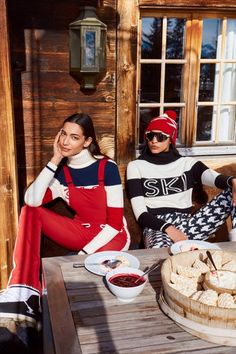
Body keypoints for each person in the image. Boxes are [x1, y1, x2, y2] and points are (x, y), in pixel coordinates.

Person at [0, 112, 130, 325]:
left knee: (73, 275)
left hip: (111, 235)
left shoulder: (107, 168)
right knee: (30, 212)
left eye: (74, 137)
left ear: (87, 141)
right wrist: (54, 160)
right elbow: (31, 201)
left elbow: (115, 224)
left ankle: (46, 305)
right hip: (81, 230)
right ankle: (24, 290)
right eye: (63, 133)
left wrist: (83, 254)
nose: (65, 141)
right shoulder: (62, 173)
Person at [126, 110, 236, 249]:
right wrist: (170, 229)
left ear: (170, 139)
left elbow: (214, 178)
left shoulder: (187, 164)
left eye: (160, 136)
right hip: (157, 227)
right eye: (150, 135)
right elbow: (141, 214)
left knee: (233, 187)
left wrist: (232, 181)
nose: (154, 140)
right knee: (162, 254)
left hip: (189, 225)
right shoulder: (136, 166)